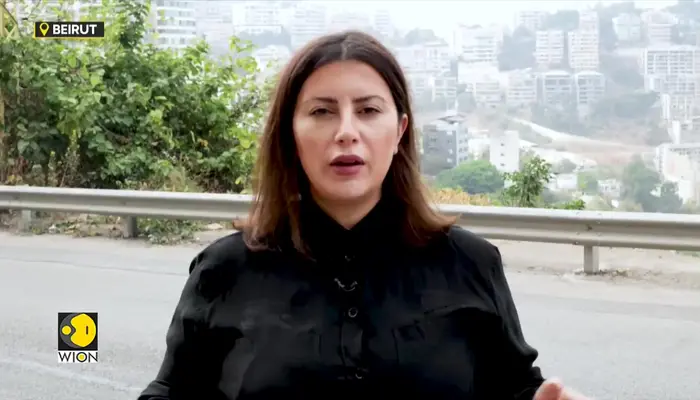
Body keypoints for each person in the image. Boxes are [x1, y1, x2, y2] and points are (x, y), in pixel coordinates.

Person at [138, 31, 590, 400]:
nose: (346, 132)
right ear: (290, 134)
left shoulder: (471, 264)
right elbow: (173, 391)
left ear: (400, 131)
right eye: (321, 112)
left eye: (369, 110)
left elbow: (513, 387)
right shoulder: (225, 270)